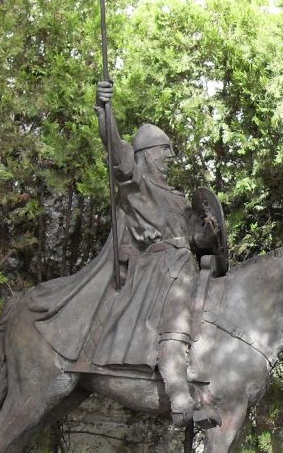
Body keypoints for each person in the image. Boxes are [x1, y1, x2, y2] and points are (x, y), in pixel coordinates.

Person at [91, 81, 220, 427]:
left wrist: (210, 231)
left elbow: (199, 237)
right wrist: (106, 112)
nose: (168, 159)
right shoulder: (137, 186)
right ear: (147, 153)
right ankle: (179, 397)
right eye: (164, 151)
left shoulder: (176, 198)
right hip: (160, 269)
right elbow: (117, 155)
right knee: (176, 315)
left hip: (186, 265)